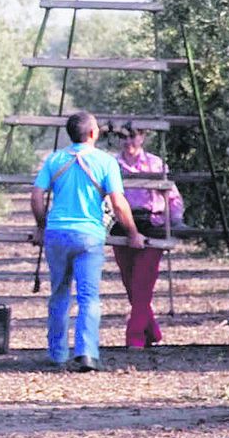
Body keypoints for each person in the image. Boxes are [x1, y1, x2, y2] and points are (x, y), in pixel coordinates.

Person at [30, 110, 146, 372]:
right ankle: (87, 353)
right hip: (89, 236)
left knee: (59, 294)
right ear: (93, 134)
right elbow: (118, 203)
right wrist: (133, 233)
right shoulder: (105, 162)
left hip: (57, 234)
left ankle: (58, 353)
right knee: (88, 297)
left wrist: (41, 226)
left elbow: (37, 196)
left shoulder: (55, 159)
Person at [114, 123, 185, 348]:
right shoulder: (113, 165)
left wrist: (175, 221)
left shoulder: (155, 163)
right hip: (124, 224)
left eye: (133, 137)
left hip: (153, 224)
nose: (129, 142)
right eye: (124, 138)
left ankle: (134, 338)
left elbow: (172, 197)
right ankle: (152, 331)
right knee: (130, 282)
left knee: (143, 282)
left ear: (142, 137)